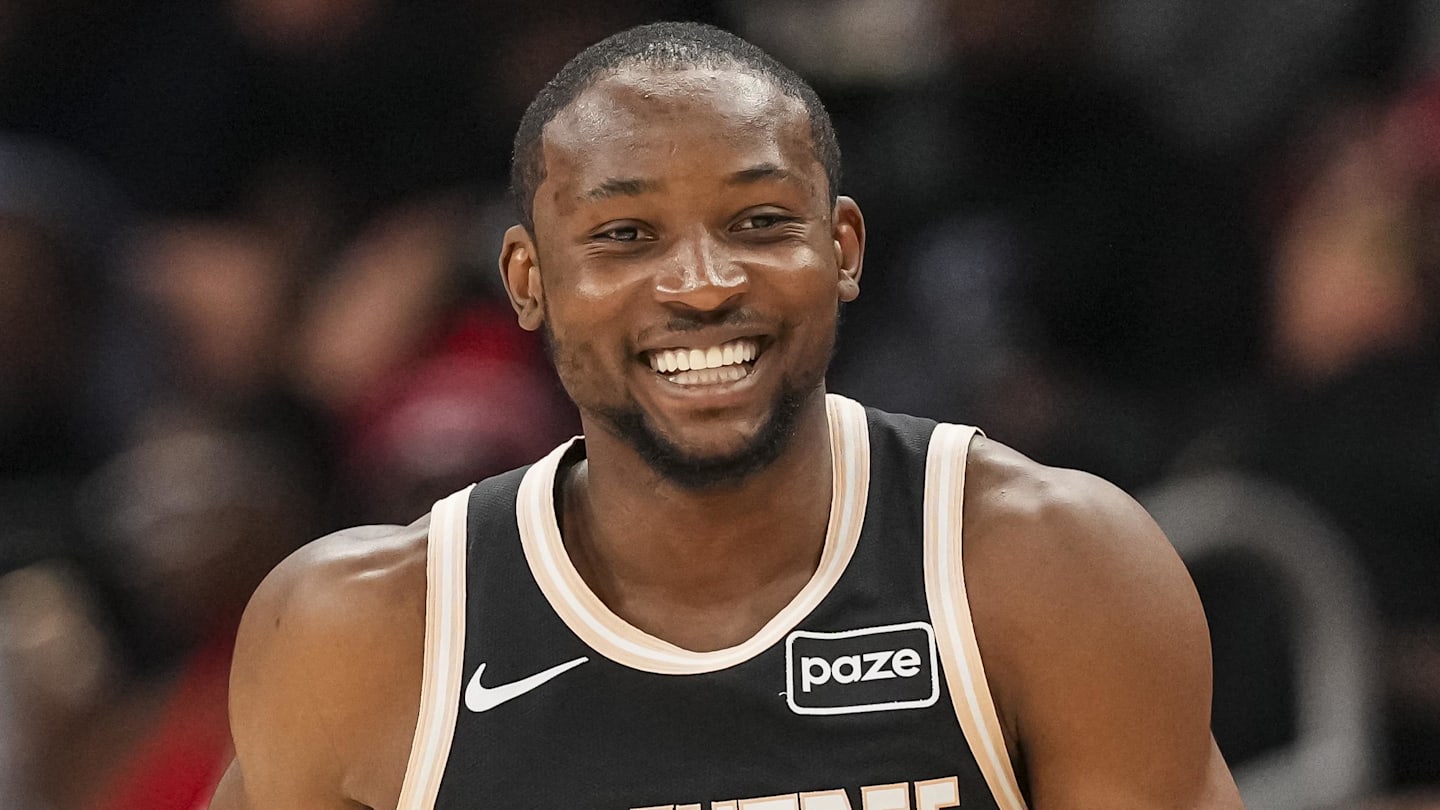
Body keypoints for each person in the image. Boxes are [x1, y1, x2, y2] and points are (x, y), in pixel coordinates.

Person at [209, 21, 1243, 810]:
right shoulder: (359, 635)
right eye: (624, 234)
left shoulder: (1049, 568)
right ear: (527, 279)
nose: (702, 284)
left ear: (842, 248)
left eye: (759, 222)